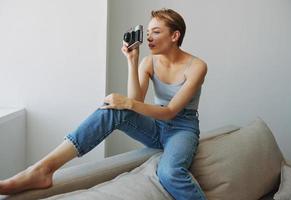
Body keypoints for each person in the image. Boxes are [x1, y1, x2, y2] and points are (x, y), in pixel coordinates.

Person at [0, 8, 207, 200]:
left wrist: (126, 102)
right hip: (155, 127)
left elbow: (171, 111)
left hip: (182, 129)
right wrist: (132, 61)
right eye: (148, 32)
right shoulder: (149, 63)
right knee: (114, 110)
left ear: (175, 35)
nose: (149, 38)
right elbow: (135, 102)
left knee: (169, 173)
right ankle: (43, 169)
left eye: (156, 32)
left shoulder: (196, 66)